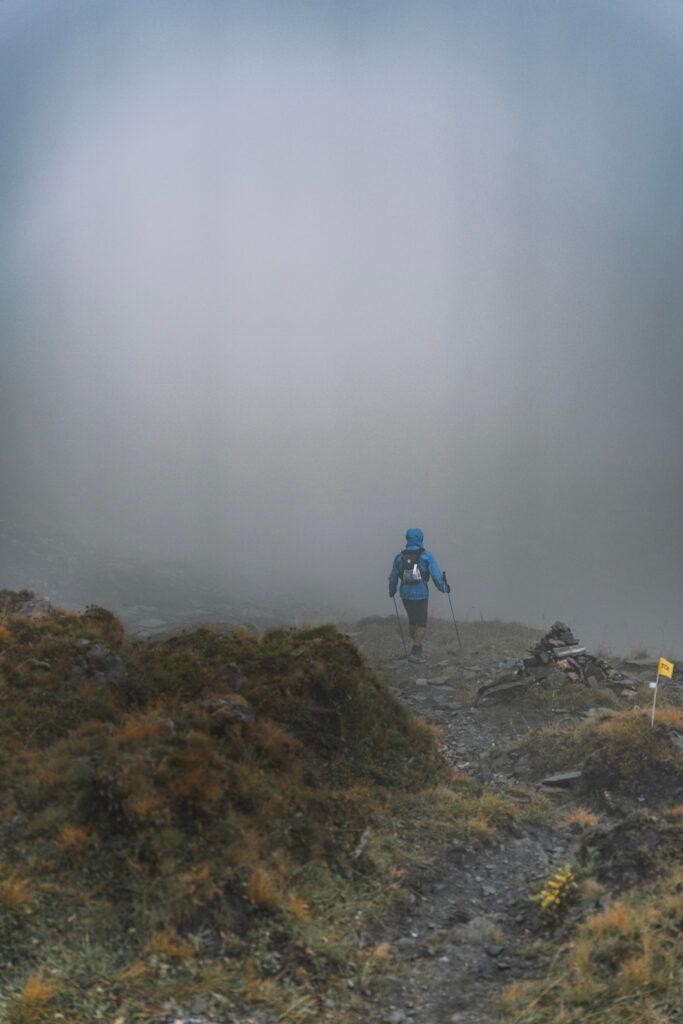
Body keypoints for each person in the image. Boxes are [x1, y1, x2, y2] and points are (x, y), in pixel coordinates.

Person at [388, 527, 450, 664]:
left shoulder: (399, 557)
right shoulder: (426, 556)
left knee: (412, 621)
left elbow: (393, 577)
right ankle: (415, 651)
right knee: (421, 623)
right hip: (421, 593)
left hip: (405, 594)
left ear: (407, 538)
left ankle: (418, 649)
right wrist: (444, 588)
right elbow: (436, 576)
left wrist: (392, 591)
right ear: (421, 538)